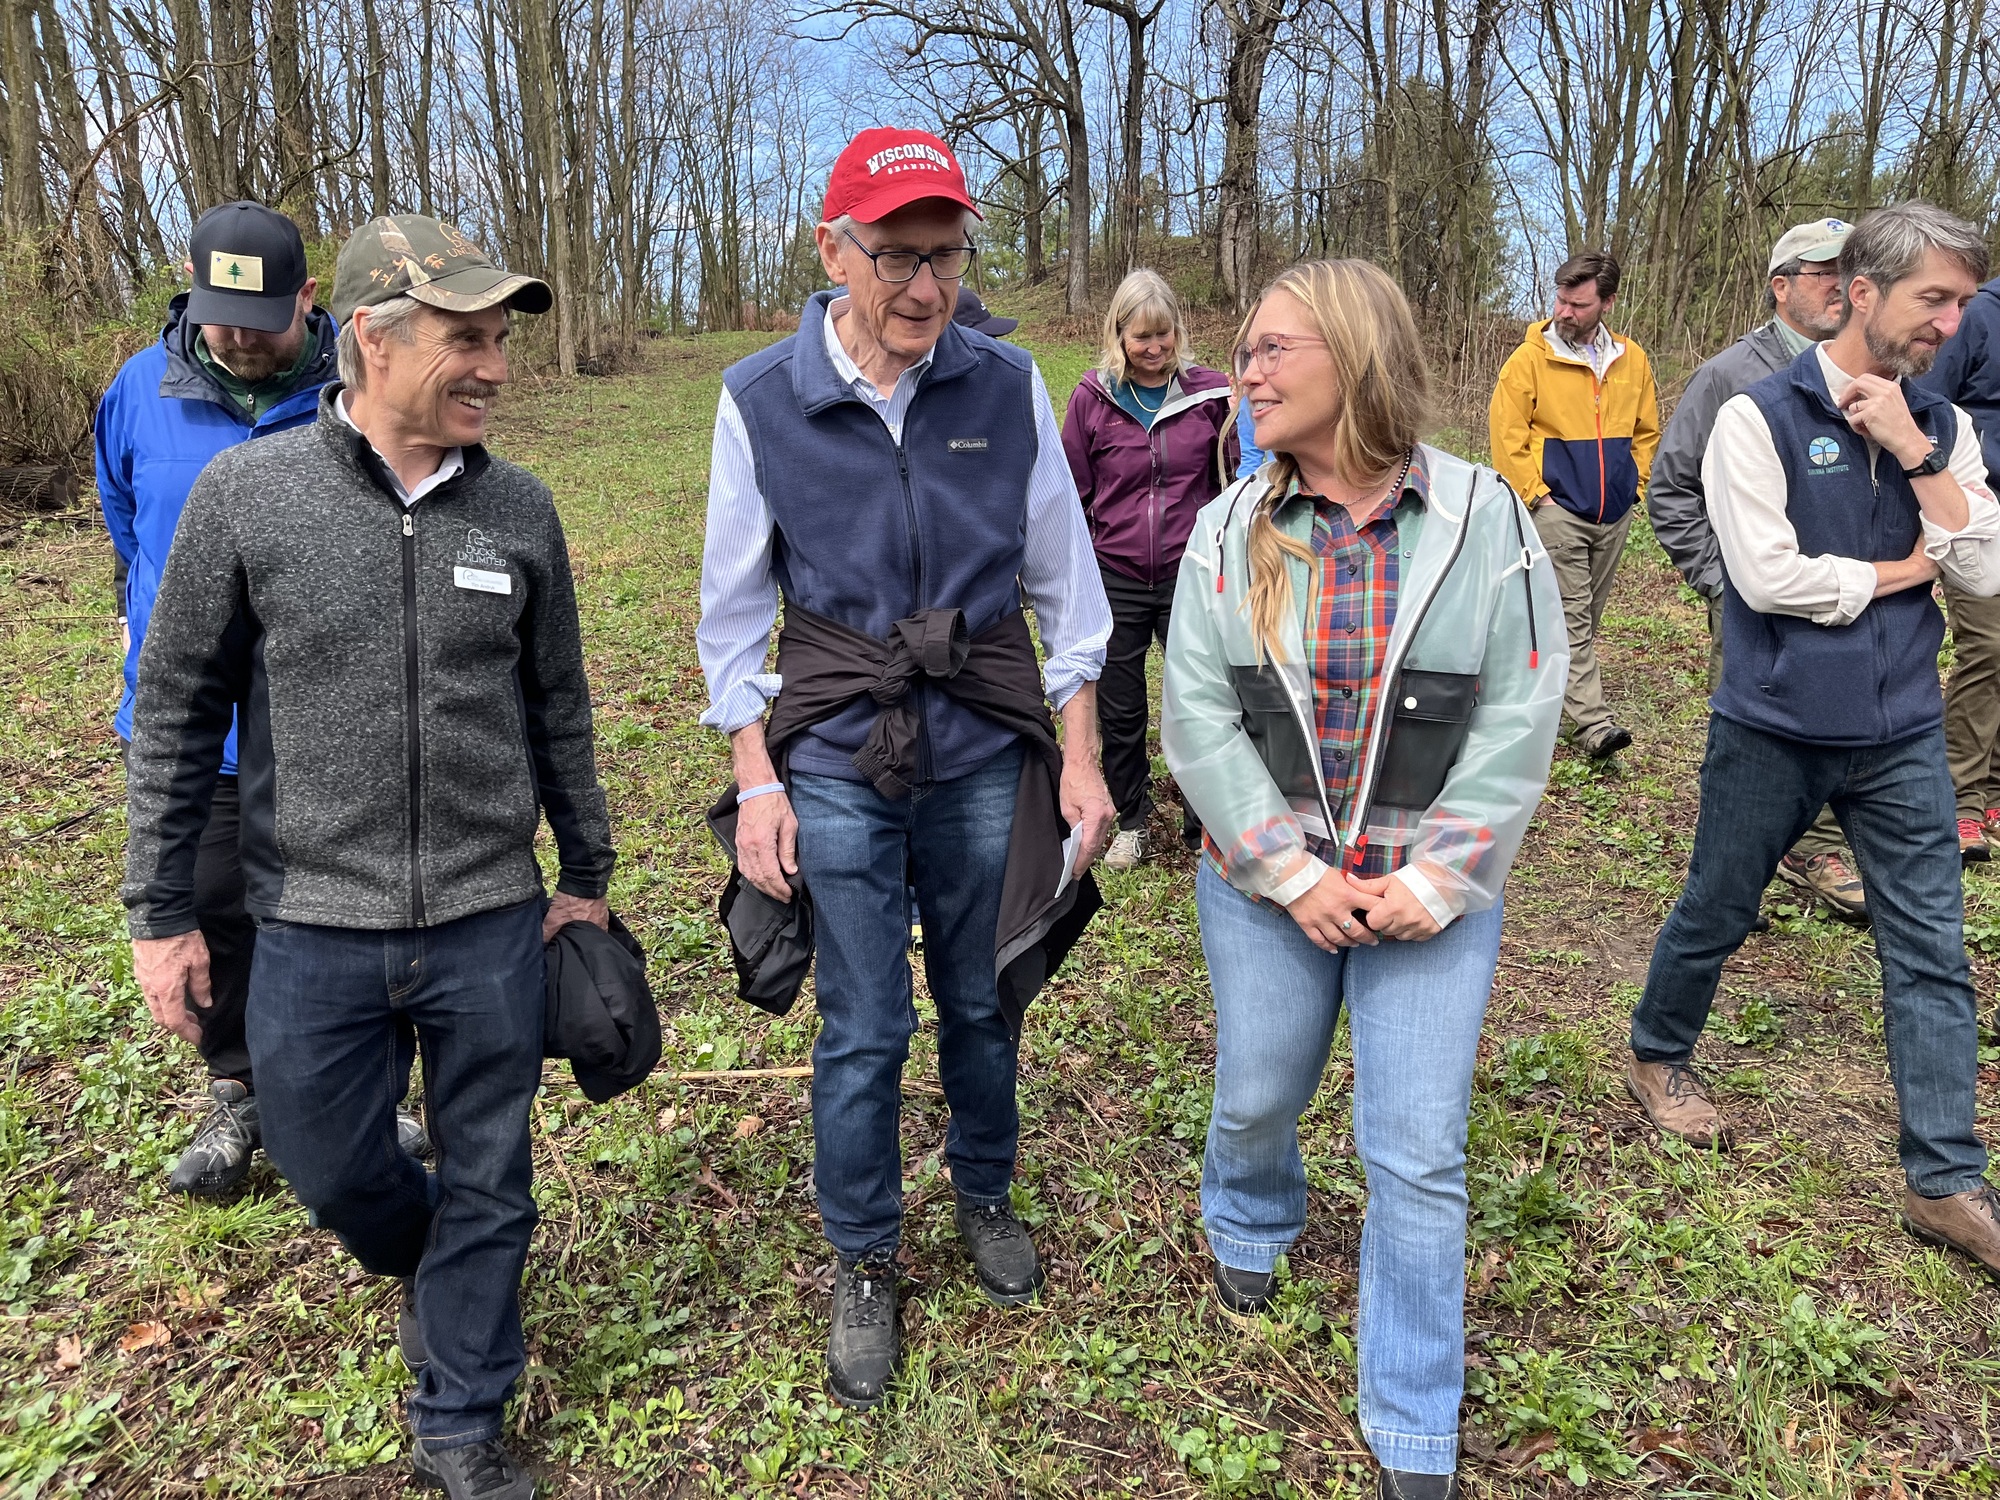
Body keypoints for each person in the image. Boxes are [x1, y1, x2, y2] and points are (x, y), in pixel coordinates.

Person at [122, 214, 614, 1500]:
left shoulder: (518, 509)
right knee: (328, 1164)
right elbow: (176, 707)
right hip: (311, 914)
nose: (493, 366)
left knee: (491, 1167)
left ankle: (461, 1418)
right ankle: (439, 1262)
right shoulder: (249, 498)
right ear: (374, 342)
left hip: (487, 912)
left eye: (498, 339)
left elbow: (558, 703)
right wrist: (159, 912)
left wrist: (585, 876)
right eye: (466, 339)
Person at [696, 127, 1113, 1411]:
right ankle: (865, 1252)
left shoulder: (1006, 385)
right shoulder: (759, 400)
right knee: (865, 1019)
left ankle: (982, 1187)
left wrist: (1082, 760)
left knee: (981, 998)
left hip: (980, 738)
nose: (924, 287)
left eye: (944, 256)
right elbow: (731, 619)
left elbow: (1066, 590)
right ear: (833, 254)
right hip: (835, 747)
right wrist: (757, 779)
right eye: (895, 258)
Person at [1163, 259, 1565, 1499]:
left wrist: (1435, 882)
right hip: (1267, 890)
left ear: (1355, 357)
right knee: (1256, 1091)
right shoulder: (1227, 529)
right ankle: (1248, 1212)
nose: (1246, 371)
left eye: (1273, 349)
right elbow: (1195, 717)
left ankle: (1412, 1420)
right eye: (1244, 349)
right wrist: (1287, 874)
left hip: (1421, 902)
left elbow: (1518, 711)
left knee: (1415, 1154)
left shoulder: (1483, 521)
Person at [1625, 202, 2000, 1281]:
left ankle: (1943, 1180)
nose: (1950, 323)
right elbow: (1766, 578)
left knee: (1930, 948)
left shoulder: (1943, 427)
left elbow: (1983, 569)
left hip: (1902, 731)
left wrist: (1912, 450)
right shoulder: (1757, 415)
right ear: (1860, 293)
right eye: (1933, 299)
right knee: (1719, 904)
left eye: (1961, 303)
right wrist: (1905, 569)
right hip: (1774, 724)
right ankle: (1657, 1052)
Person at [95, 200, 423, 1196]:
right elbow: (125, 523)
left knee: (351, 915)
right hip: (195, 727)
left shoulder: (360, 391)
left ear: (309, 299)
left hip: (327, 718)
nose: (238, 338)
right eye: (220, 317)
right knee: (212, 907)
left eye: (261, 319)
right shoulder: (137, 391)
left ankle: (369, 1096)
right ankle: (240, 1090)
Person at [1647, 218, 1869, 922]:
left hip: (1852, 592)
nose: (1842, 286)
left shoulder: (1872, 372)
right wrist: (1723, 581)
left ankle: (1818, 849)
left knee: (1841, 718)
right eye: (1824, 272)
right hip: (1757, 600)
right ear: (1781, 286)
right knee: (1755, 740)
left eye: (1850, 271)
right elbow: (1671, 489)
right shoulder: (1731, 376)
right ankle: (1741, 874)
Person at [1061, 269, 1235, 869]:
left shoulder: (1211, 396)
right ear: (1119, 335)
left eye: (1164, 334)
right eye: (1142, 337)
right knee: (1121, 705)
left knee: (1198, 698)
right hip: (1117, 573)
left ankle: (1202, 820)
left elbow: (1235, 479)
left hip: (1191, 572)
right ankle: (1132, 821)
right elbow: (1072, 491)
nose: (1155, 348)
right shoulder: (1093, 398)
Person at [1489, 251, 1660, 759]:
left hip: (1614, 512)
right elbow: (1507, 436)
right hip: (1557, 511)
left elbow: (1647, 431)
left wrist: (1635, 486)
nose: (1565, 312)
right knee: (1571, 617)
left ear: (1607, 303)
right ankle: (1593, 725)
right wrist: (1536, 496)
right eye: (1561, 300)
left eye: (1578, 304)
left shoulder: (1632, 360)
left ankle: (1535, 693)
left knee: (1580, 616)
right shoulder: (1529, 360)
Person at [1916, 267, 2000, 863]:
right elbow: (1927, 408)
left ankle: (1994, 790)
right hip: (1977, 512)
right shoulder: (1977, 315)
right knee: (1989, 646)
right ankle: (1960, 796)